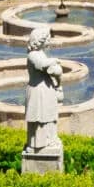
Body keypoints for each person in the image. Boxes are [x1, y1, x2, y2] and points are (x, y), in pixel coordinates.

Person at [22, 26, 64, 158]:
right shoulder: (33, 55)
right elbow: (42, 64)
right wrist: (54, 61)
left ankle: (50, 140)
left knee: (49, 115)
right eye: (47, 39)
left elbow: (53, 70)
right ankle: (37, 145)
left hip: (46, 90)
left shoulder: (40, 53)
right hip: (38, 91)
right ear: (40, 40)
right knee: (39, 118)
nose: (49, 41)